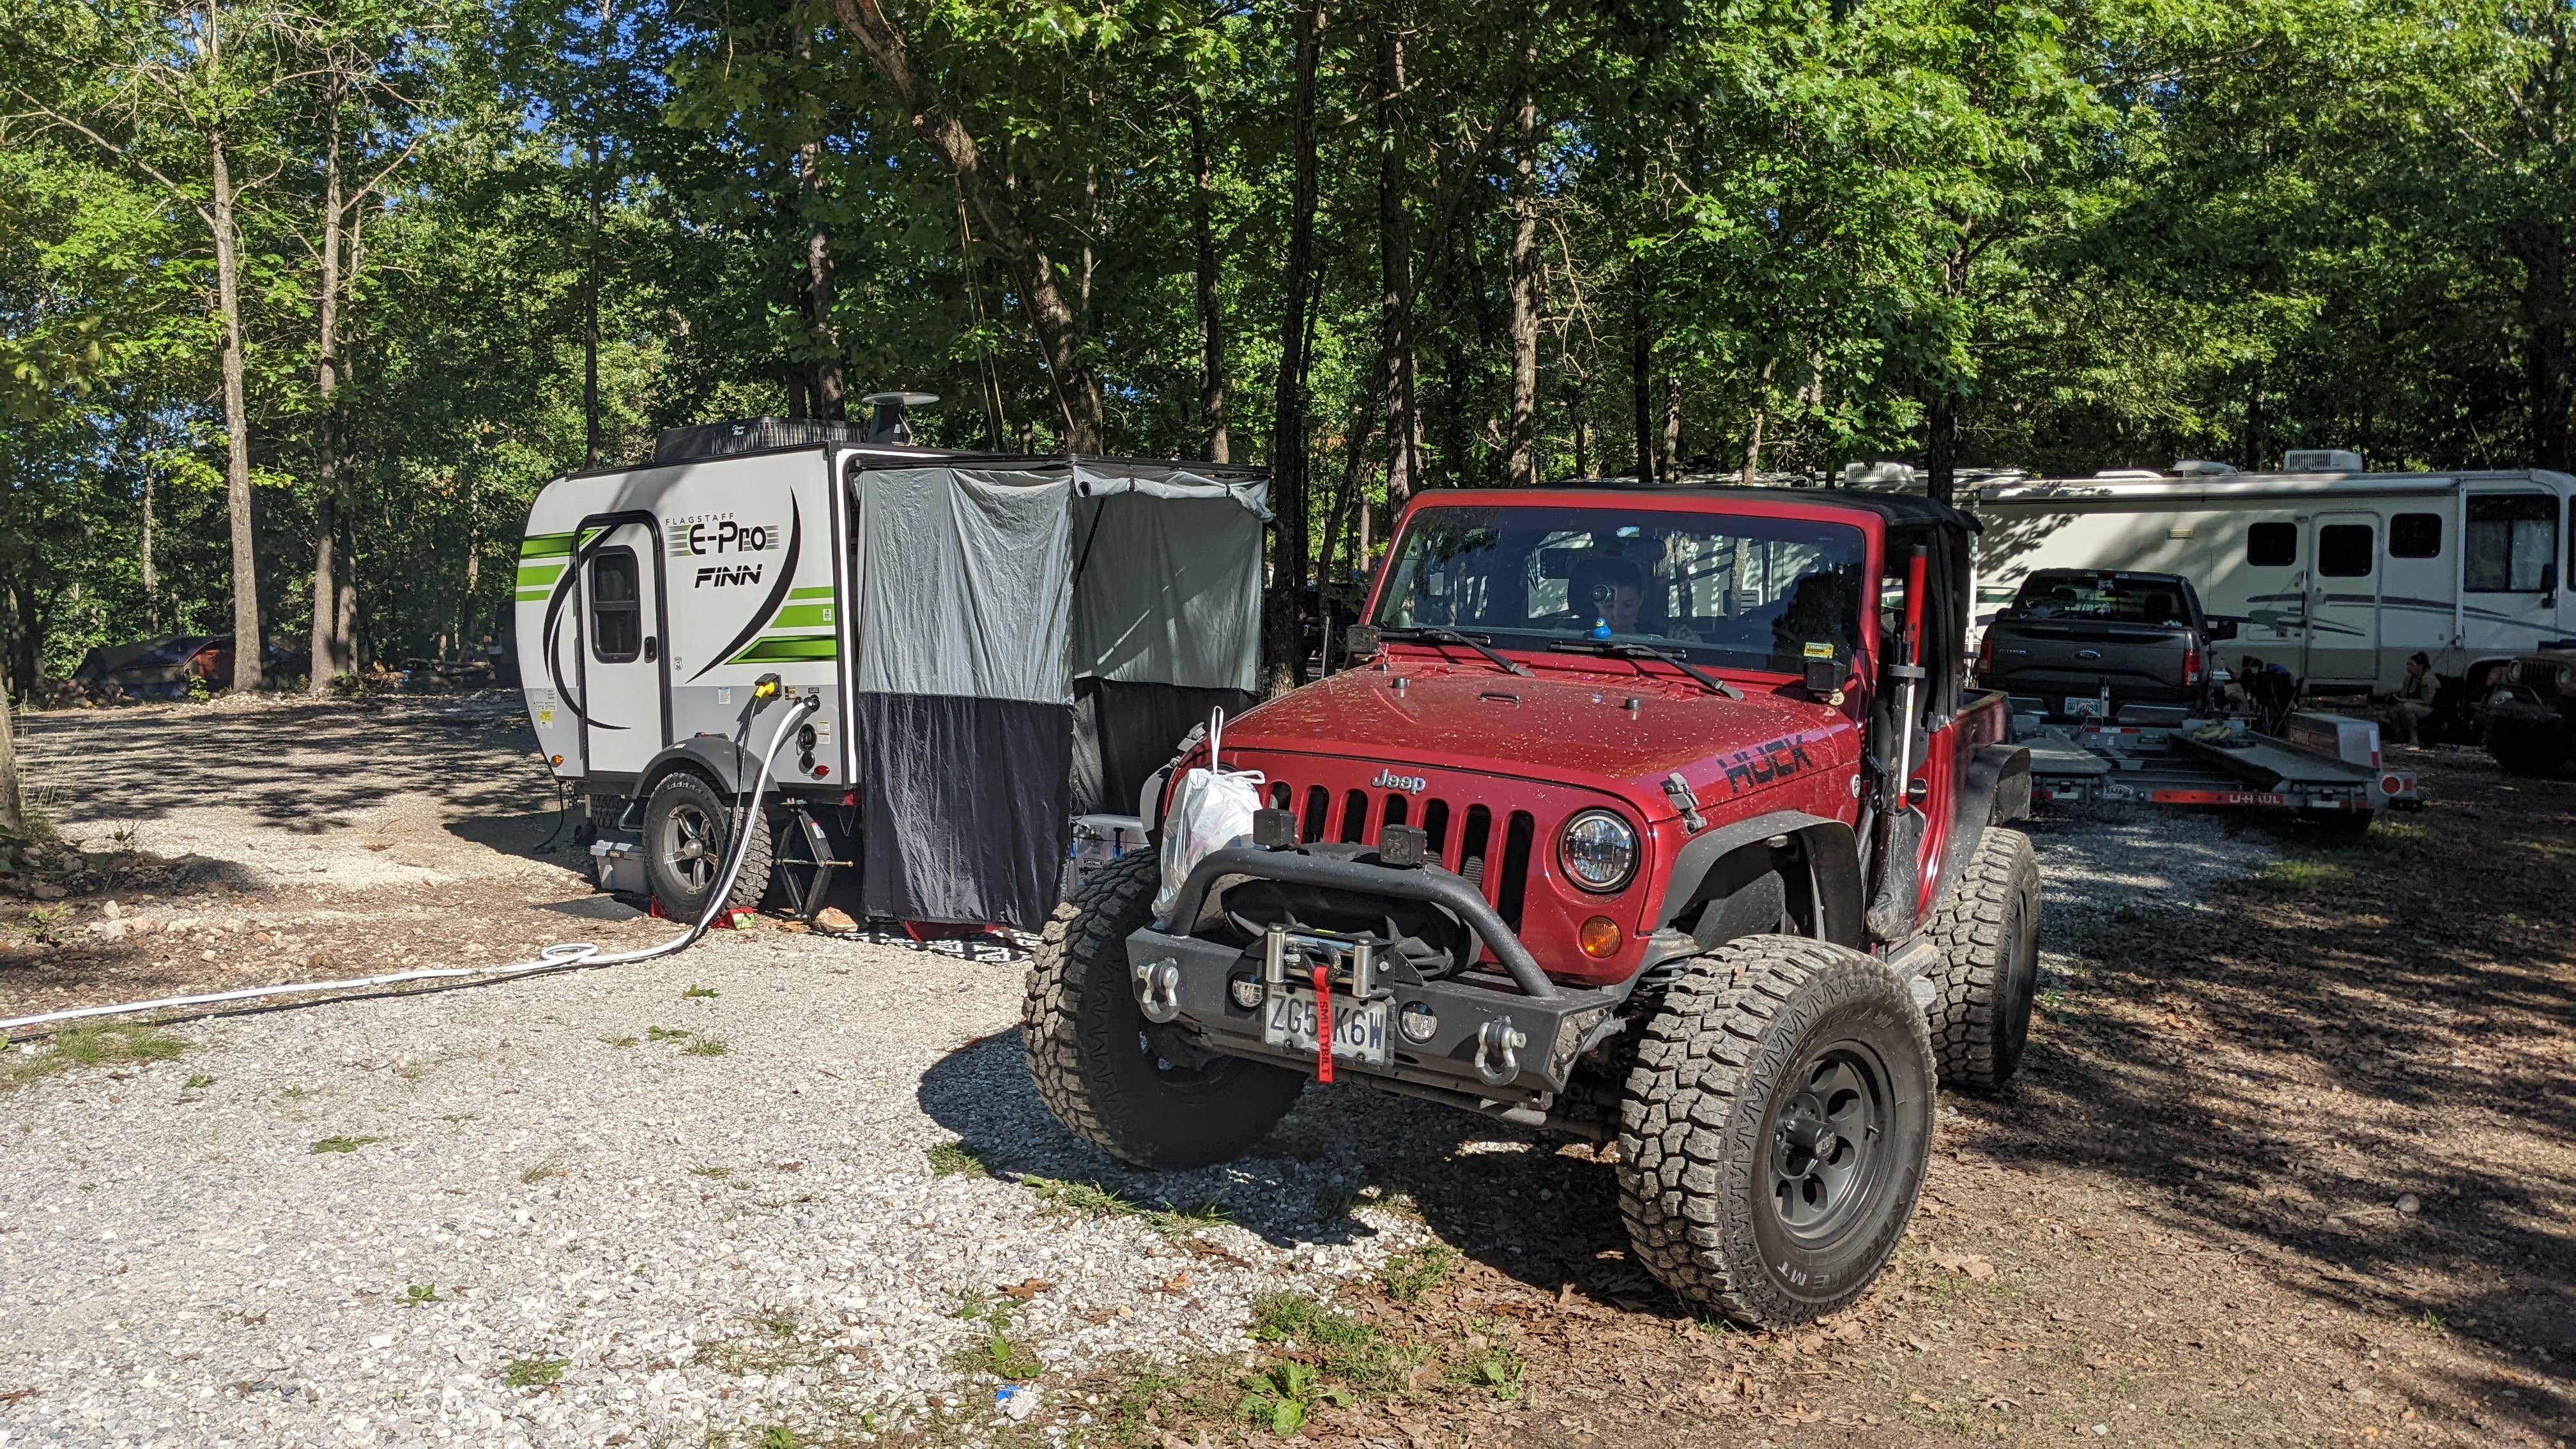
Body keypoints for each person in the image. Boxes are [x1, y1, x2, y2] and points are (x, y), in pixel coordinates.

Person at [2382, 651, 2435, 745]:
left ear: (2420, 666)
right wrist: (2394, 698)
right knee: (2392, 708)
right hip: (2411, 704)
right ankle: (2399, 735)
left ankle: (2414, 738)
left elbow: (2427, 701)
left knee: (2407, 707)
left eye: (2411, 665)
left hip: (2428, 708)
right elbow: (2403, 694)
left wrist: (2403, 701)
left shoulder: (2427, 679)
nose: (2408, 667)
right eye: (2408, 664)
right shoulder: (2409, 678)